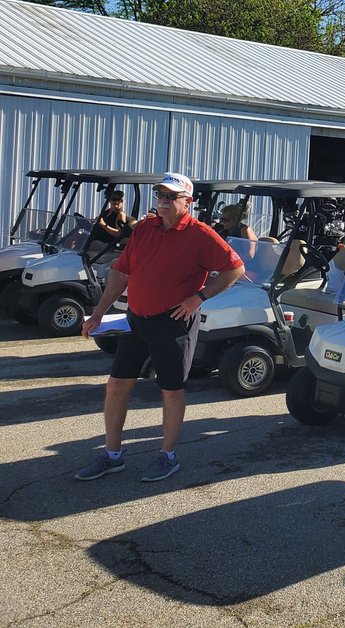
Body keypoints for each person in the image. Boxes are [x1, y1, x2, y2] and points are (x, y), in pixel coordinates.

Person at [76, 173, 245, 483]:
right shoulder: (144, 229)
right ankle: (113, 455)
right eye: (161, 195)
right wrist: (98, 313)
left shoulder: (201, 235)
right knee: (116, 385)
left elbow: (235, 268)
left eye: (171, 197)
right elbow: (120, 272)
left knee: (170, 391)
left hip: (173, 323)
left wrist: (198, 298)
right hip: (137, 319)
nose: (163, 201)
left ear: (187, 202)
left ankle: (167, 456)